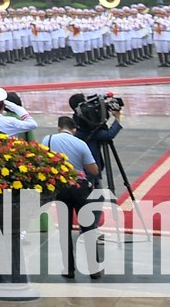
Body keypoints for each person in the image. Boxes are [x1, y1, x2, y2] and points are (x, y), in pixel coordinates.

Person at [41, 114, 99, 279]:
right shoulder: (81, 143)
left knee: (64, 230)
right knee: (88, 227)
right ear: (74, 129)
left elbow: (43, 159)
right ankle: (93, 269)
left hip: (60, 187)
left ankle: (68, 268)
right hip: (80, 188)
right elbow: (93, 170)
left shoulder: (48, 139)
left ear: (59, 127)